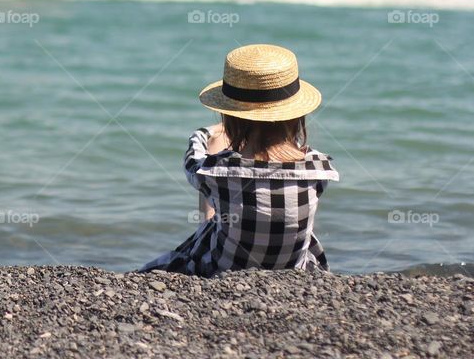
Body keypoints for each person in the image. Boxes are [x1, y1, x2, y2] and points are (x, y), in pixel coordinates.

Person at [140, 44, 338, 277]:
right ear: (296, 116)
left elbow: (194, 154)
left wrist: (210, 133)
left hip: (222, 268)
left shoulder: (216, 171)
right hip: (294, 270)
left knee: (213, 199)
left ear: (231, 118)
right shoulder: (319, 169)